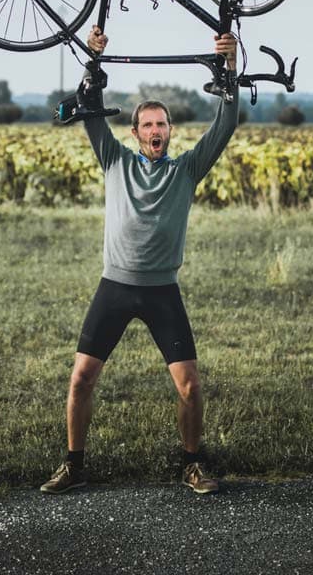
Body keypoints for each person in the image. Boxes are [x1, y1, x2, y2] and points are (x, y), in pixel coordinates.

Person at [40, 26, 239, 495]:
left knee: (190, 386)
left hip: (161, 292)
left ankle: (191, 465)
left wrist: (229, 66)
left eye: (162, 124)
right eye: (147, 124)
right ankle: (74, 465)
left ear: (171, 131)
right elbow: (88, 110)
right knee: (81, 379)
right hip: (115, 286)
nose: (155, 131)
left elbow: (225, 125)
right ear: (135, 133)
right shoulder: (114, 159)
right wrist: (92, 58)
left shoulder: (187, 169)